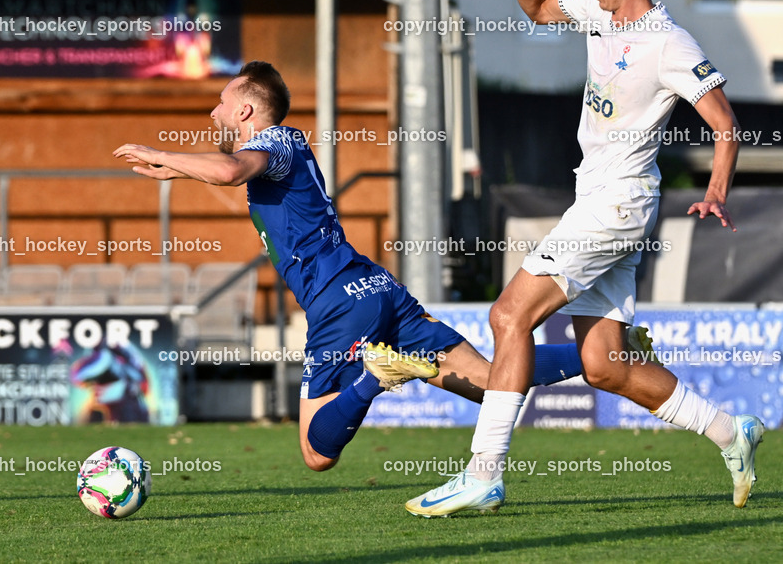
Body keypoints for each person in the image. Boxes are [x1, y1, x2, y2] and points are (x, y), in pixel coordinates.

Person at [406, 0, 764, 517]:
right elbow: (541, 9)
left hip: (618, 205)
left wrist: (717, 191)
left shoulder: (670, 44)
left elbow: (727, 126)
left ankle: (483, 474)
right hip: (596, 198)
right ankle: (732, 432)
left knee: (508, 314)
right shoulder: (599, 10)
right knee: (603, 367)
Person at [114, 60, 584, 471]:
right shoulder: (285, 147)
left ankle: (373, 378)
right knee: (488, 382)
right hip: (375, 286)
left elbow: (230, 171)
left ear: (245, 110)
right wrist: (182, 168)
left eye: (221, 101)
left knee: (317, 453)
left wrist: (159, 154)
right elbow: (231, 168)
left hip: (338, 302)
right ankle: (600, 354)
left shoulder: (275, 142)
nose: (213, 111)